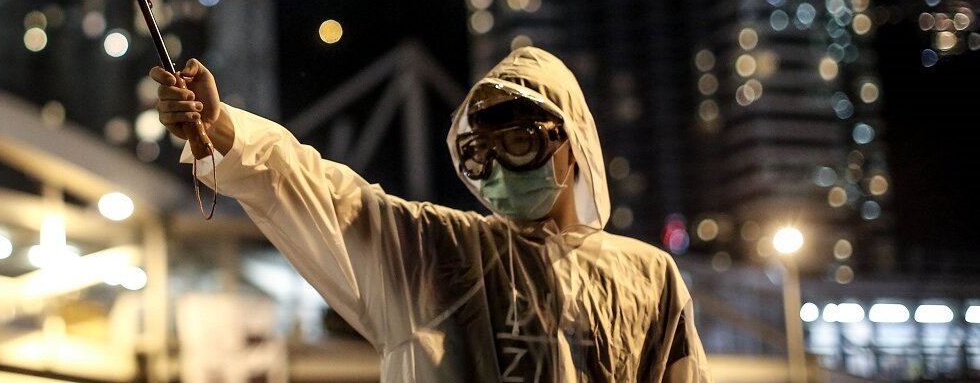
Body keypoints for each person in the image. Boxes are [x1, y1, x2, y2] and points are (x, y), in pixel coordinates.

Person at [150, 46, 711, 382]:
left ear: (571, 140)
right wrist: (219, 130)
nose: (496, 170)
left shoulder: (648, 276)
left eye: (516, 144)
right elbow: (315, 190)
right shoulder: (438, 254)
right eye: (478, 155)